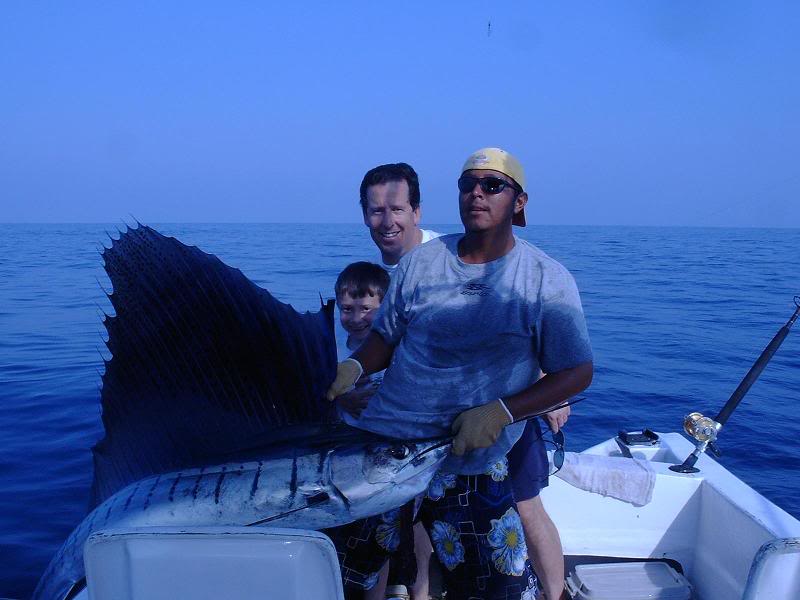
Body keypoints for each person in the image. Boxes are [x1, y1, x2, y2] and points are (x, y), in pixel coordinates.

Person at [329, 148, 594, 599]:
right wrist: (355, 365)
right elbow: (386, 337)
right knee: (342, 578)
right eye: (467, 184)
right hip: (384, 450)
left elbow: (576, 371)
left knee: (494, 591)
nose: (477, 193)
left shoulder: (545, 278)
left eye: (492, 185)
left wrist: (502, 412)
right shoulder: (420, 262)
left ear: (519, 201)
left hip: (468, 461)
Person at [359, 162, 442, 271]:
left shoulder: (451, 254)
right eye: (378, 211)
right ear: (365, 216)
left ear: (416, 213)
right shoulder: (368, 274)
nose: (388, 223)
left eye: (397, 210)